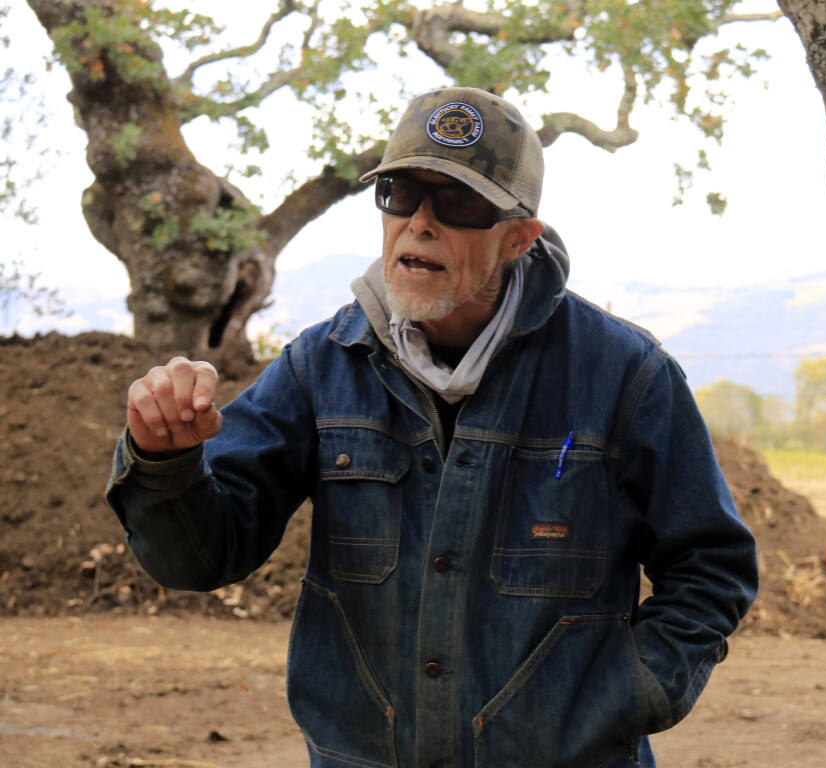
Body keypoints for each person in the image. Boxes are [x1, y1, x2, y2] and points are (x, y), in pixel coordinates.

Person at [106, 86, 758, 768]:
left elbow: (711, 565)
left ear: (518, 237)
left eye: (458, 202)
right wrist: (165, 461)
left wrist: (633, 690)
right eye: (399, 194)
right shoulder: (319, 366)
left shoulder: (626, 375)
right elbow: (201, 559)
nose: (419, 222)